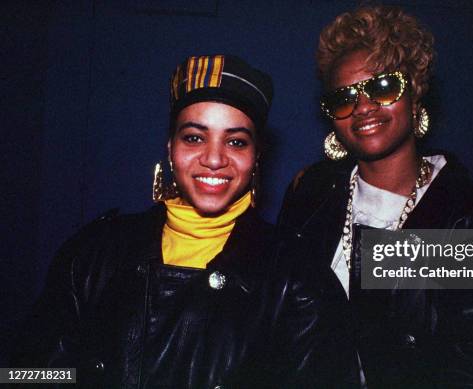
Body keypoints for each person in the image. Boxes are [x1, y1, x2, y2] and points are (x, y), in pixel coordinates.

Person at [13, 55, 357, 388]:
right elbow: (26, 373)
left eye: (236, 142)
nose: (213, 158)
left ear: (256, 158)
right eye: (194, 137)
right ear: (170, 147)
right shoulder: (93, 255)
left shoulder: (298, 279)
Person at [277, 6, 473, 388]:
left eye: (382, 87)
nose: (363, 107)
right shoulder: (311, 195)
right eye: (344, 98)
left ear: (414, 94)